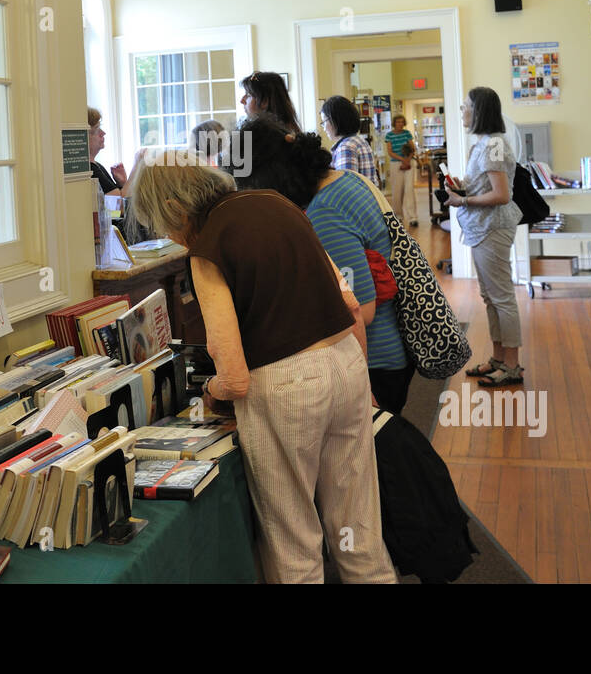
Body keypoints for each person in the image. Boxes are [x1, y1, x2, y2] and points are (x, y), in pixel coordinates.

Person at [129, 152, 395, 584]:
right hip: (347, 364)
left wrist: (210, 393)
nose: (168, 235)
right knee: (358, 529)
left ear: (174, 209)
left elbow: (234, 376)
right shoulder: (278, 203)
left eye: (161, 223)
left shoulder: (207, 249)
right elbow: (348, 303)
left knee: (295, 546)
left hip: (287, 387)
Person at [239, 116, 413, 414]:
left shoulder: (326, 211)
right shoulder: (345, 180)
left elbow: (359, 308)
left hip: (372, 365)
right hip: (383, 358)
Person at [442, 86, 524, 387]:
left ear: (478, 111)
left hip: (493, 227)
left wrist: (463, 200)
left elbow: (501, 195)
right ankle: (499, 358)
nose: (461, 111)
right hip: (482, 227)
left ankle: (512, 365)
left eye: (465, 106)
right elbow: (487, 184)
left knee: (501, 297)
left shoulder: (494, 145)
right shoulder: (486, 144)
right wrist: (465, 186)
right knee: (491, 297)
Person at [319, 95, 381, 189]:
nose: (323, 128)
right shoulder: (359, 140)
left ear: (335, 120)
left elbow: (345, 189)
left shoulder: (346, 147)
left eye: (324, 121)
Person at [384, 115, 417, 227]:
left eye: (402, 122)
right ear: (394, 123)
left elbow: (413, 148)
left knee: (409, 190)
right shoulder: (389, 135)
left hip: (409, 163)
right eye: (398, 122)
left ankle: (413, 217)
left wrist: (408, 159)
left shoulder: (407, 134)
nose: (400, 124)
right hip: (396, 164)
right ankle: (398, 216)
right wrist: (402, 159)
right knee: (397, 191)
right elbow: (390, 152)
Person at [88, 107, 127, 196]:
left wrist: (122, 183)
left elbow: (115, 207)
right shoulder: (90, 168)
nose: (103, 133)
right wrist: (136, 168)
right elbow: (117, 205)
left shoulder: (96, 165)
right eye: (97, 129)